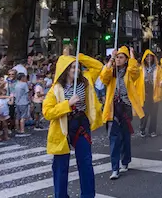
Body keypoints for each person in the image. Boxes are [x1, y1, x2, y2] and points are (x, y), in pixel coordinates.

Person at [43, 53, 103, 198]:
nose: (76, 70)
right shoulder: (55, 89)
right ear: (65, 70)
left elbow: (98, 67)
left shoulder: (86, 80)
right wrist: (67, 104)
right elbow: (47, 112)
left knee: (86, 162)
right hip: (63, 127)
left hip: (81, 123)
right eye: (72, 67)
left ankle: (88, 195)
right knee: (60, 166)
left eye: (77, 67)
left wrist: (79, 56)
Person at [100, 47, 143, 179]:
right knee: (114, 139)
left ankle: (125, 161)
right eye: (117, 57)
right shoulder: (111, 71)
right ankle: (115, 168)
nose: (118, 59)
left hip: (125, 107)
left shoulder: (129, 72)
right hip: (112, 109)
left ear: (126, 60)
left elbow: (135, 71)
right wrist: (111, 60)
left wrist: (131, 55)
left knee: (125, 137)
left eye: (121, 57)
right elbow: (103, 78)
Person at [139, 50, 159, 138]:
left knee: (154, 113)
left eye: (151, 56)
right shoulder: (141, 69)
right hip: (145, 93)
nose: (149, 58)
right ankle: (142, 129)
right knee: (144, 113)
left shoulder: (158, 68)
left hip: (155, 92)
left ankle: (152, 130)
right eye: (147, 56)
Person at [9, 72, 30, 136]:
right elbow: (27, 93)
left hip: (17, 102)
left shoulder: (15, 84)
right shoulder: (24, 84)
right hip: (23, 102)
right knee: (23, 117)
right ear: (22, 78)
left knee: (17, 117)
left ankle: (17, 129)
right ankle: (22, 130)